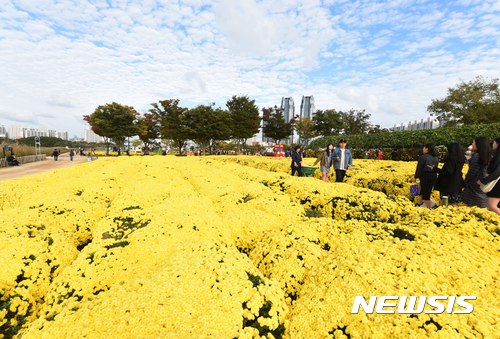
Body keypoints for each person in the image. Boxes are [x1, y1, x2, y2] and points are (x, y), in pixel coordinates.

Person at [432, 143, 465, 208]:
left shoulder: (451, 159)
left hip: (448, 184)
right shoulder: (461, 158)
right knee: (451, 201)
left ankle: (447, 214)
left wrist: (435, 169)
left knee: (446, 201)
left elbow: (448, 171)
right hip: (457, 183)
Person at [463, 136, 491, 208]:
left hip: (473, 185)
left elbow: (472, 172)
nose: (472, 144)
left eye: (474, 142)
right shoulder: (489, 156)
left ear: (478, 144)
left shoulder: (477, 156)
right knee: (481, 206)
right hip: (483, 184)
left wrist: (466, 181)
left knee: (469, 207)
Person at [477, 137, 500, 215]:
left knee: (491, 206)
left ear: (498, 144)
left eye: (494, 143)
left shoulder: (499, 156)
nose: (492, 145)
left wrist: (484, 180)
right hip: (497, 184)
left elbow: (497, 172)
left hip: (497, 185)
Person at [413, 143, 439, 208]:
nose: (423, 149)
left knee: (425, 193)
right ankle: (419, 204)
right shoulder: (435, 157)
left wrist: (416, 177)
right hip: (433, 175)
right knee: (424, 190)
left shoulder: (423, 157)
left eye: (424, 148)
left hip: (426, 175)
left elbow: (419, 168)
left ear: (427, 149)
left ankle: (428, 208)